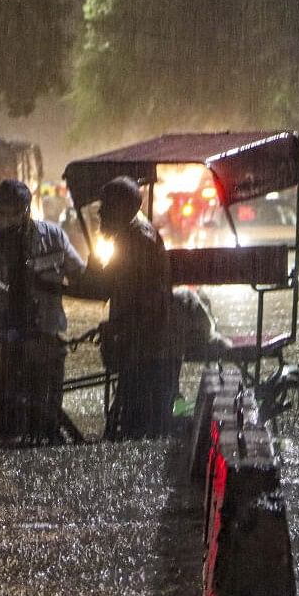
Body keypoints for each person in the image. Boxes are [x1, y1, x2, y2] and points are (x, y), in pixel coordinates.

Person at [0, 180, 86, 441]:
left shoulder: (53, 237)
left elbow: (78, 274)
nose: (9, 219)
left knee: (47, 416)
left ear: (27, 209)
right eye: (4, 212)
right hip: (5, 344)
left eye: (15, 212)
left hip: (47, 338)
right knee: (8, 419)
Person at [81, 177, 178, 440]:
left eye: (106, 207)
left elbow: (148, 303)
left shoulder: (139, 242)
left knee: (137, 431)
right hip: (136, 344)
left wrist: (116, 327)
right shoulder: (128, 238)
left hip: (147, 350)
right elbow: (104, 287)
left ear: (124, 208)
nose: (100, 213)